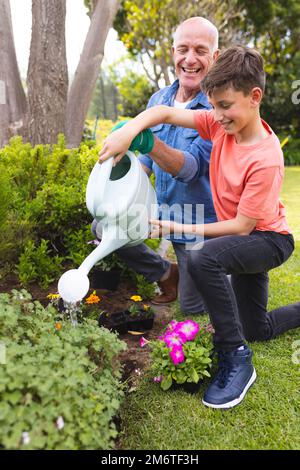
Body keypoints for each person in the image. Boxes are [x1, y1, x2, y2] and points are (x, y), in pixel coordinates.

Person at [98, 45, 300, 409]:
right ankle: (249, 336)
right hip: (247, 239)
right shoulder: (220, 125)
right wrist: (130, 131)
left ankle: (235, 356)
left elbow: (241, 227)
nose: (217, 115)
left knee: (204, 258)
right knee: (259, 328)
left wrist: (177, 224)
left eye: (225, 106)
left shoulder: (265, 158)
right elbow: (162, 111)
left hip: (268, 240)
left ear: (255, 97)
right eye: (213, 105)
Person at [94, 17, 219, 315]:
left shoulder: (219, 107)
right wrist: (120, 189)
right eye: (183, 49)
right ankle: (166, 272)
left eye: (200, 51)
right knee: (104, 224)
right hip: (161, 212)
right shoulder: (158, 99)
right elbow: (145, 164)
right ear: (173, 51)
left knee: (192, 310)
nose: (190, 59)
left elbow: (190, 169)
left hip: (196, 222)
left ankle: (220, 272)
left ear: (214, 57)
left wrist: (148, 142)